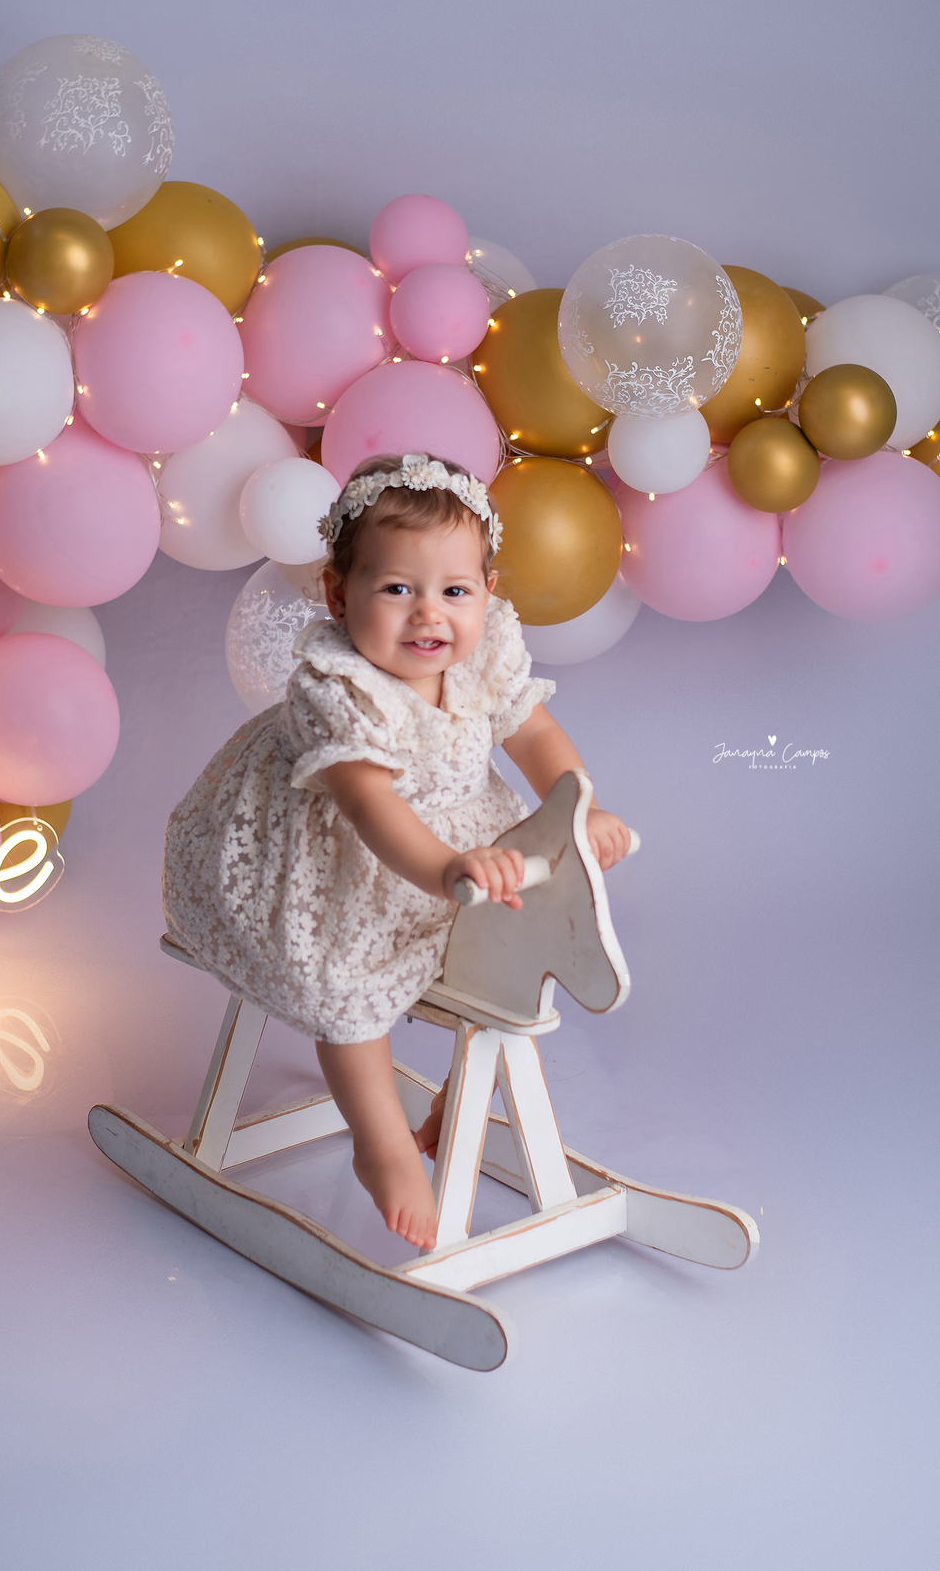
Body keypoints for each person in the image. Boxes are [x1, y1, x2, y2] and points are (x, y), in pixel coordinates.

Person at [163, 453, 632, 1253]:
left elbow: (534, 733)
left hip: (464, 837)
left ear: (487, 591)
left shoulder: (483, 654)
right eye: (396, 589)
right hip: (339, 858)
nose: (428, 615)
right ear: (338, 594)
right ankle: (380, 1145)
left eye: (455, 592)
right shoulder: (336, 685)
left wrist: (577, 809)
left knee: (529, 934)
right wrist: (445, 870)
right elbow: (370, 807)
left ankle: (459, 1095)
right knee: (343, 977)